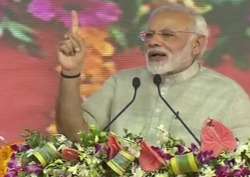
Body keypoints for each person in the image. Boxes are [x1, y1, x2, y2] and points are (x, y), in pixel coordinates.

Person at [56, 4, 250, 146]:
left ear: (196, 44)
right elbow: (76, 136)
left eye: (167, 35)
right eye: (149, 35)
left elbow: (241, 163)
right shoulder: (123, 83)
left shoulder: (228, 95)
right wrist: (70, 73)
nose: (153, 42)